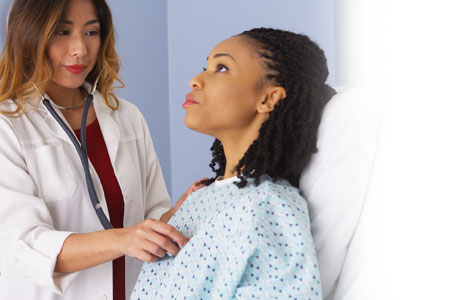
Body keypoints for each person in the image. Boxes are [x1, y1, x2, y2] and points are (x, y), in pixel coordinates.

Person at [0, 0, 196, 299]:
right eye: (61, 32)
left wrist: (185, 210)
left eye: (91, 32)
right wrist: (124, 240)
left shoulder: (126, 116)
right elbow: (25, 246)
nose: (80, 48)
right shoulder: (8, 125)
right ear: (29, 36)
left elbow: (149, 219)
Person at [131, 27, 336, 299]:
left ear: (267, 98)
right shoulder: (201, 197)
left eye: (222, 68)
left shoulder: (270, 207)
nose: (195, 79)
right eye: (206, 66)